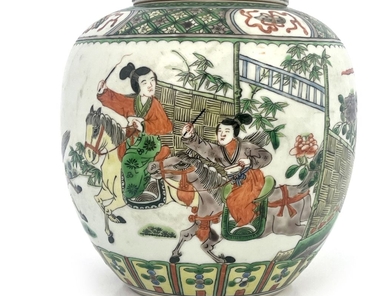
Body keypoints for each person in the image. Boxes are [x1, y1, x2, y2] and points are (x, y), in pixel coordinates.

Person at [97, 62, 172, 200]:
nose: (150, 85)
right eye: (144, 82)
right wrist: (104, 91)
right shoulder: (132, 103)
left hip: (149, 143)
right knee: (118, 151)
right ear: (137, 86)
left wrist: (143, 125)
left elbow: (166, 126)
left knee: (129, 160)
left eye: (152, 80)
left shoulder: (155, 104)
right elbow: (117, 101)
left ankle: (136, 191)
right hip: (132, 141)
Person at [181, 113, 272, 227]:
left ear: (234, 135)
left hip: (252, 179)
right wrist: (189, 136)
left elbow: (266, 156)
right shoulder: (218, 151)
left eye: (227, 131)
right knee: (229, 199)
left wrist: (250, 162)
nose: (222, 134)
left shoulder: (245, 146)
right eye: (219, 131)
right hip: (237, 181)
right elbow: (203, 147)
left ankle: (249, 220)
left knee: (236, 200)